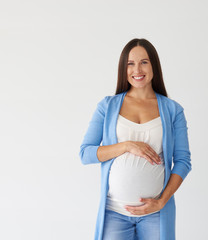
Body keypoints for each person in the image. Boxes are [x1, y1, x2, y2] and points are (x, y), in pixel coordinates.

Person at [79, 38, 192, 240]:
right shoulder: (108, 106)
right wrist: (127, 146)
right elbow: (86, 154)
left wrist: (161, 202)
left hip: (155, 214)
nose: (137, 69)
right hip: (114, 213)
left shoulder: (173, 110)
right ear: (123, 68)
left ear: (154, 66)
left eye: (144, 62)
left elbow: (183, 162)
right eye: (130, 64)